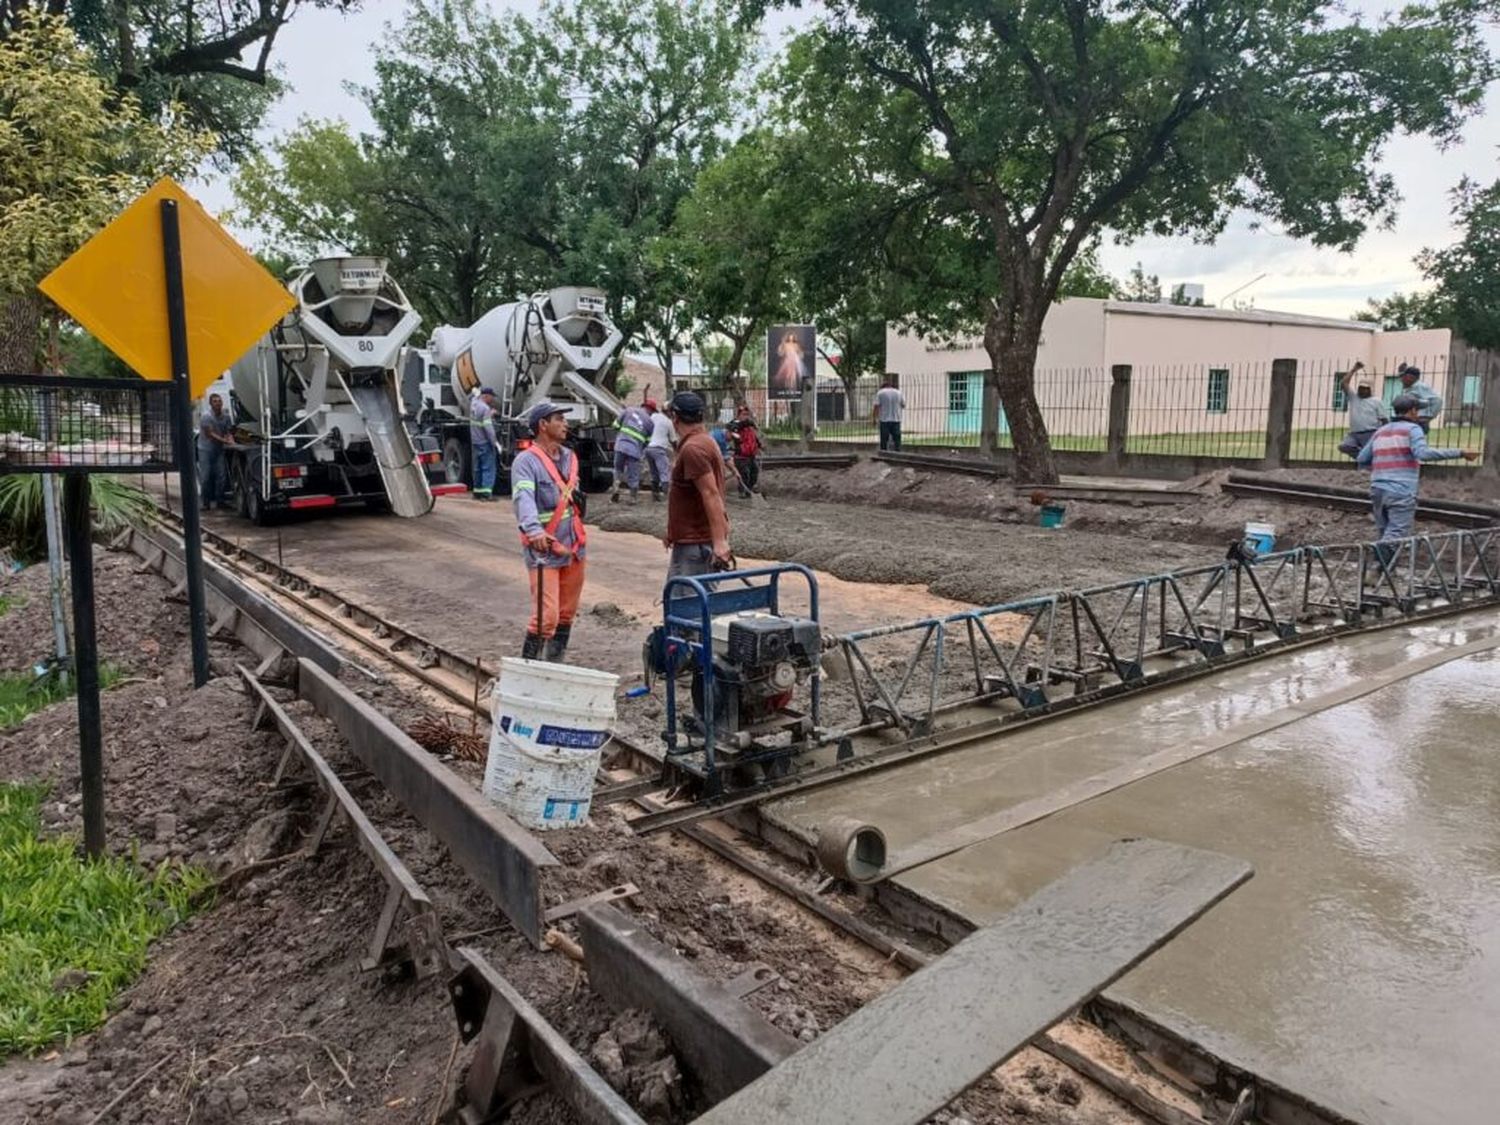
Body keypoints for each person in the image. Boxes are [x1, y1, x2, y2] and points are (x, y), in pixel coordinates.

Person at [512, 401, 588, 661]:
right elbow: (523, 498)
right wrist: (534, 532)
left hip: (573, 547)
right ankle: (527, 670)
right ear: (543, 425)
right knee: (546, 618)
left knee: (566, 614)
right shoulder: (526, 462)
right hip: (544, 549)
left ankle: (554, 667)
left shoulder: (569, 457)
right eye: (558, 419)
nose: (565, 424)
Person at [1356, 393, 1477, 542]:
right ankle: (1380, 562)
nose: (1418, 414)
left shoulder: (1380, 431)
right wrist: (1460, 453)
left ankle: (1381, 563)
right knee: (1396, 534)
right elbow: (1423, 453)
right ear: (1412, 410)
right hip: (1401, 490)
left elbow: (1362, 458)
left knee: (1384, 531)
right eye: (1417, 410)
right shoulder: (1413, 429)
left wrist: (1383, 464)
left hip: (1377, 489)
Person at [664, 391, 732, 579]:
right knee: (689, 602)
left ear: (675, 418)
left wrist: (719, 542)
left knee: (683, 604)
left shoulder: (693, 449)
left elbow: (710, 493)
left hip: (696, 545)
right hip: (695, 541)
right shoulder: (704, 441)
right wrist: (673, 530)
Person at [1337, 363, 1389, 458]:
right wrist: (1354, 370)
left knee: (1370, 454)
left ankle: (1365, 463)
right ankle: (1363, 457)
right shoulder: (1354, 397)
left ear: (1370, 389)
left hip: (1370, 432)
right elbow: (1343, 383)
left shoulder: (1376, 401)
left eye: (1365, 389)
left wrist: (1384, 435)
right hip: (1354, 433)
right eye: (1360, 388)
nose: (1362, 390)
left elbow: (1384, 419)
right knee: (1344, 446)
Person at [611, 400, 654, 504]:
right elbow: (647, 442)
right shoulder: (650, 423)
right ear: (651, 410)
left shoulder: (628, 410)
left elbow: (615, 425)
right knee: (633, 473)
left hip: (620, 446)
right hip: (635, 450)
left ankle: (616, 489)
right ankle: (632, 498)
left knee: (618, 469)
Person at [197, 392, 234, 510]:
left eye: (219, 401)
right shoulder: (206, 416)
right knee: (206, 477)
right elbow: (210, 434)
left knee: (221, 476)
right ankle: (205, 502)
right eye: (215, 401)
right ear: (210, 404)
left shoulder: (226, 417)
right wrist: (225, 440)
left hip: (218, 450)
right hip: (205, 450)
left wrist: (230, 439)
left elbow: (228, 431)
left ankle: (220, 501)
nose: (218, 403)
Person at [470, 387, 500, 501]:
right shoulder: (485, 408)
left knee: (477, 467)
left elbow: (473, 396)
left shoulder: (474, 404)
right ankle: (486, 494)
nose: (492, 399)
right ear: (486, 396)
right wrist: (495, 442)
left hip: (475, 441)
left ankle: (477, 492)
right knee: (488, 467)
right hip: (485, 442)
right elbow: (488, 429)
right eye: (491, 397)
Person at [727, 404, 762, 498]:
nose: (745, 416)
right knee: (744, 474)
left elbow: (753, 438)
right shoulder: (734, 424)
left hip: (751, 455)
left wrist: (759, 445)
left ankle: (749, 491)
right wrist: (749, 423)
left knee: (754, 473)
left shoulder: (749, 427)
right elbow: (734, 427)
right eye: (743, 414)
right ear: (738, 415)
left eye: (747, 414)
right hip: (741, 456)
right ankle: (742, 491)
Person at [644, 398, 674, 503]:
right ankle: (666, 496)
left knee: (654, 473)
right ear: (669, 411)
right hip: (658, 449)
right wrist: (677, 450)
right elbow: (673, 440)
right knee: (664, 472)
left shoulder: (654, 416)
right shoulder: (669, 422)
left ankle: (655, 495)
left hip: (648, 448)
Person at [1397, 365, 1444, 432]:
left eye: (1403, 377)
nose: (1401, 380)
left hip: (1420, 420)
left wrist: (1428, 416)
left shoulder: (1419, 387)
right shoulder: (1411, 388)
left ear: (1411, 377)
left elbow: (1438, 400)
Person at [872, 376, 906, 451]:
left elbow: (876, 407)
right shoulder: (898, 393)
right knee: (897, 439)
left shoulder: (880, 393)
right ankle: (898, 453)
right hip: (896, 419)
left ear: (883, 387)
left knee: (884, 440)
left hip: (884, 420)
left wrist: (874, 418)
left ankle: (884, 454)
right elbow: (903, 405)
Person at [772, 330, 805, 396]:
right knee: (787, 377)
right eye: (790, 337)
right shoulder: (785, 345)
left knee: (793, 377)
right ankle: (787, 391)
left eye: (792, 337)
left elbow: (800, 354)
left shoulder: (796, 345)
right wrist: (782, 343)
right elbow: (780, 353)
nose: (791, 338)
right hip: (787, 362)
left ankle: (793, 391)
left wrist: (799, 355)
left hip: (794, 362)